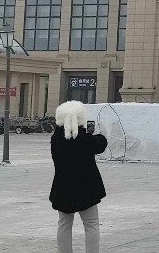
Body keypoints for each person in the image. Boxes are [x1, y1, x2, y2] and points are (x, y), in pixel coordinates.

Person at [49, 100, 108, 253]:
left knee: (64, 224)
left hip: (63, 188)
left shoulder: (55, 140)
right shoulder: (86, 140)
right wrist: (92, 133)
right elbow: (101, 143)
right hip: (86, 188)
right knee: (91, 224)